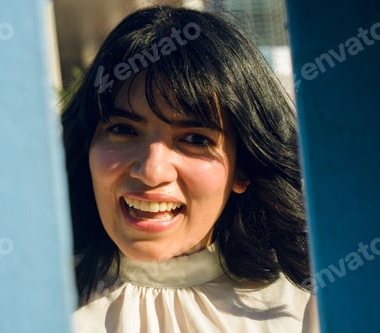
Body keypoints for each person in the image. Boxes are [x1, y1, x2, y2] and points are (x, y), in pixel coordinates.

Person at [61, 5, 319, 333]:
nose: (152, 171)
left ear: (245, 166)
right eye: (124, 130)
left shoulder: (307, 310)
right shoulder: (28, 300)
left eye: (195, 139)